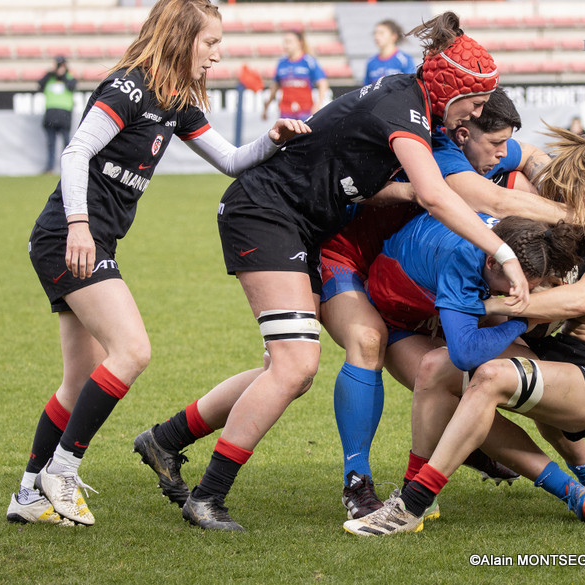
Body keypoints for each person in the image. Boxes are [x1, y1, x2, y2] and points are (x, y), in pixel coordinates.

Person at [137, 12, 533, 532]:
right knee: (298, 363)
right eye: (476, 104)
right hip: (268, 214)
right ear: (450, 89)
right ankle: (211, 496)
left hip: (304, 227)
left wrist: (539, 167)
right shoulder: (405, 108)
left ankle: (165, 439)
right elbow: (437, 195)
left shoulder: (421, 111)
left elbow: (449, 174)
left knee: (287, 370)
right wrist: (504, 253)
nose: (477, 116)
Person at [5, 0, 311, 528]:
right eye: (210, 42)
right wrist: (79, 225)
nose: (218, 54)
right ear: (180, 36)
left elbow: (231, 160)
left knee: (79, 381)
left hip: (82, 240)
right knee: (133, 350)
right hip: (70, 238)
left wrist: (273, 139)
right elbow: (76, 153)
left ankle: (28, 495)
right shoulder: (129, 86)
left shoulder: (176, 101)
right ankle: (61, 469)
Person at [344, 125, 585, 536]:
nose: (566, 207)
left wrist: (489, 304)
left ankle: (410, 507)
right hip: (564, 355)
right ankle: (417, 492)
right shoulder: (581, 229)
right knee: (436, 366)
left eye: (578, 197)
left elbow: (579, 300)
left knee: (490, 377)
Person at [262, 30, 329, 121]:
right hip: (286, 113)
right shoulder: (281, 63)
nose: (286, 45)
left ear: (299, 43)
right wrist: (266, 107)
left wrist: (318, 105)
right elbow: (275, 86)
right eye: (285, 42)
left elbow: (322, 83)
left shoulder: (308, 61)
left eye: (289, 42)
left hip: (305, 112)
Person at [38, 55, 77, 174]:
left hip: (64, 115)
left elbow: (71, 86)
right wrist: (51, 72)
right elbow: (39, 85)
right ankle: (50, 167)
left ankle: (67, 167)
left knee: (66, 143)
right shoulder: (50, 78)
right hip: (50, 114)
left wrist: (63, 74)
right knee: (51, 143)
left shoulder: (70, 78)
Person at [364, 19, 417, 85]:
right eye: (375, 33)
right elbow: (366, 88)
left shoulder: (405, 60)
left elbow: (411, 85)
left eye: (381, 33)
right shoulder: (371, 62)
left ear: (393, 36)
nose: (376, 37)